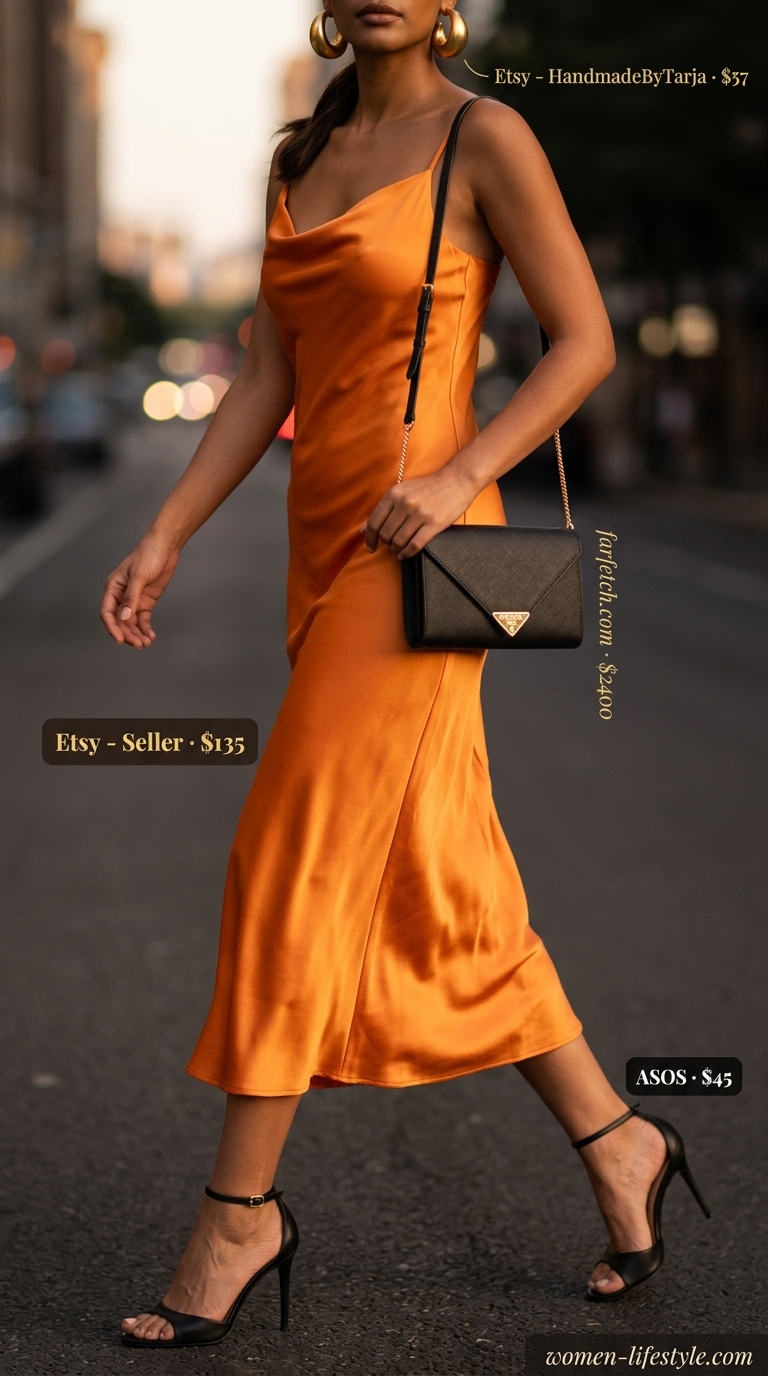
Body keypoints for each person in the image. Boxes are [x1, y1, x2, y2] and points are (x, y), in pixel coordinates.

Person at [103, 0, 710, 1349]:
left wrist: (454, 474)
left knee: (292, 853)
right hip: (322, 554)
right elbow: (270, 376)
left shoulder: (484, 135)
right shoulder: (293, 163)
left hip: (430, 554)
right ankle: (621, 1142)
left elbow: (587, 339)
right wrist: (164, 530)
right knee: (446, 884)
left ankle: (240, 1212)